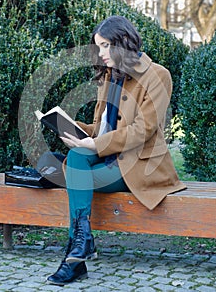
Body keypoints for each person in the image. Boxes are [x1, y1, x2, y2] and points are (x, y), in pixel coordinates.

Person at [47, 15, 186, 286]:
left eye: (104, 46)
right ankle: (80, 247)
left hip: (137, 166)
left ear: (122, 43)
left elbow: (142, 129)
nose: (99, 53)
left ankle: (74, 258)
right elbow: (104, 128)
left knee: (75, 170)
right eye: (97, 47)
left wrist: (95, 144)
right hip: (107, 158)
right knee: (74, 157)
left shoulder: (158, 76)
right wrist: (73, 128)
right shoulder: (109, 75)